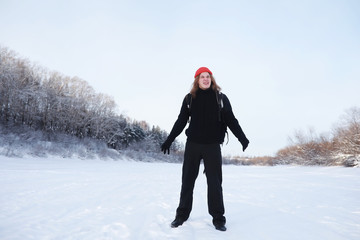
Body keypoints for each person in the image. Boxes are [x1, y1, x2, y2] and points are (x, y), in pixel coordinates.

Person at [161, 67, 249, 232]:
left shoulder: (220, 98)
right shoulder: (189, 99)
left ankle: (218, 219)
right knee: (187, 181)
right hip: (193, 144)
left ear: (212, 79)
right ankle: (181, 215)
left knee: (215, 183)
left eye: (208, 76)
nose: (206, 79)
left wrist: (242, 138)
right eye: (202, 77)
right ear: (197, 80)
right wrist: (169, 140)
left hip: (212, 146)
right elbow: (181, 121)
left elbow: (231, 120)